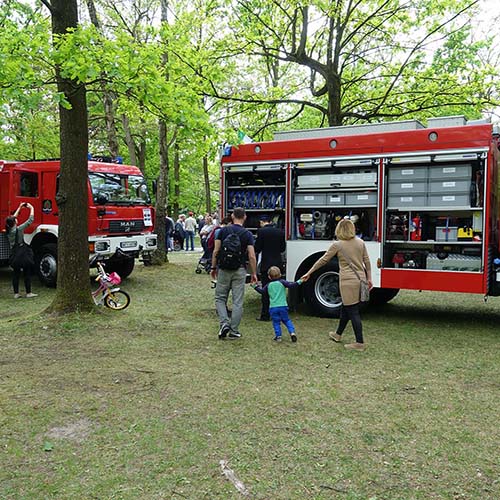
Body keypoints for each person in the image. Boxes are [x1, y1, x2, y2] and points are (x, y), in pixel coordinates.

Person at [301, 218, 372, 351]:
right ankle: (337, 334)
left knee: (352, 311)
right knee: (346, 308)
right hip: (360, 279)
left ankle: (359, 343)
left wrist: (309, 272)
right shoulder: (361, 242)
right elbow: (367, 262)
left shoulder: (337, 245)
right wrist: (369, 278)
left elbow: (323, 261)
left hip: (347, 281)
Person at [211, 207, 257, 339]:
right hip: (240, 270)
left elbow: (216, 251)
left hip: (224, 269)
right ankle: (234, 330)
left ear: (232, 216)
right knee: (238, 301)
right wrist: (254, 273)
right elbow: (252, 256)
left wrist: (213, 268)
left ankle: (224, 323)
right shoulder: (247, 234)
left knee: (220, 298)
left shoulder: (222, 231)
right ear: (245, 217)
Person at [252, 266, 301, 342]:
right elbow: (291, 285)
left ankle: (278, 336)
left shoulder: (268, 285)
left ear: (269, 277)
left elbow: (262, 292)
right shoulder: (282, 282)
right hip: (283, 306)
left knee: (276, 322)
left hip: (273, 308)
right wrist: (300, 281)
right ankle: (292, 332)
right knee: (287, 320)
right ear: (280, 274)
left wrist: (255, 286)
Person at [254, 214, 286, 321]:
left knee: (266, 290)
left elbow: (257, 247)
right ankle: (280, 314)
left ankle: (265, 314)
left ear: (262, 222)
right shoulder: (280, 232)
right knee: (278, 290)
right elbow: (282, 249)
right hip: (278, 264)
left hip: (266, 264)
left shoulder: (261, 232)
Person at [5, 202, 37, 299]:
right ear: (15, 222)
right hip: (23, 254)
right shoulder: (19, 229)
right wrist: (31, 208)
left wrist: (19, 207)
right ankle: (28, 293)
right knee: (27, 272)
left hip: (14, 255)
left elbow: (12, 219)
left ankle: (16, 293)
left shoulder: (9, 230)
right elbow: (30, 220)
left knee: (16, 274)